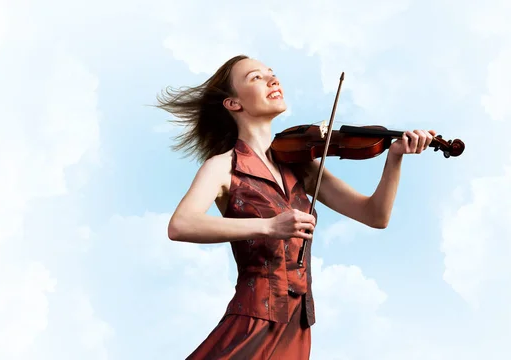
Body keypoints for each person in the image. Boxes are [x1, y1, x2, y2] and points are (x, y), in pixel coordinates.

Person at [156, 55, 435, 359]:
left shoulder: (302, 164)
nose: (272, 80)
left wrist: (394, 158)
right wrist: (269, 226)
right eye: (255, 78)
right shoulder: (222, 167)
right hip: (252, 319)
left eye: (271, 74)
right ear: (234, 103)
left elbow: (375, 216)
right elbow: (181, 225)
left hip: (297, 324)